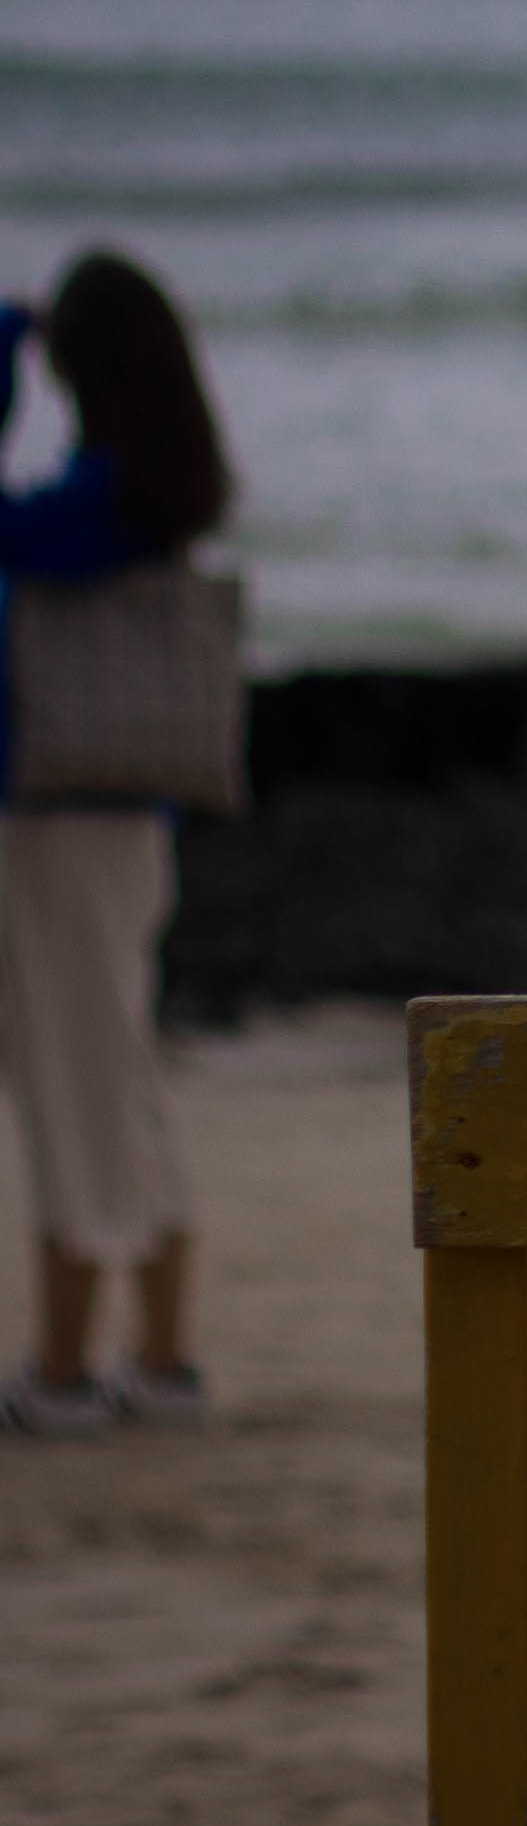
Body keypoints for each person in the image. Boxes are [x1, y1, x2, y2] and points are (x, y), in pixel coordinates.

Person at [0, 251, 237, 1441]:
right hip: (123, 817)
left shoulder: (93, 503)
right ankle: (160, 1352)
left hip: (58, 822)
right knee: (114, 1072)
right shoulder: (153, 492)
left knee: (72, 1083)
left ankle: (65, 1363)